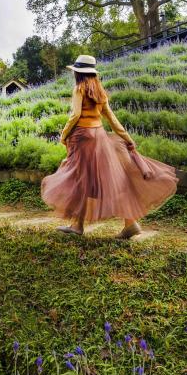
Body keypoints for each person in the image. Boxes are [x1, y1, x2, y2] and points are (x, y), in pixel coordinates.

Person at [41, 54, 178, 239]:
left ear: (78, 74)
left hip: (82, 138)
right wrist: (127, 138)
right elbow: (112, 119)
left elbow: (75, 115)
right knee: (112, 180)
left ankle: (77, 226)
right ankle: (130, 223)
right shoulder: (100, 92)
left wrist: (64, 135)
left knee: (79, 180)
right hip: (100, 138)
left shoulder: (79, 89)